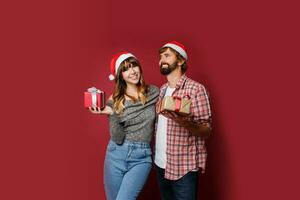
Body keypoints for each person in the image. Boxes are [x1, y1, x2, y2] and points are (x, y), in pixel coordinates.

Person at [89, 52, 159, 200]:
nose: (132, 71)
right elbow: (117, 137)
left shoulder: (153, 92)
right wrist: (113, 113)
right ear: (120, 75)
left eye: (134, 66)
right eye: (126, 69)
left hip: (141, 157)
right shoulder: (114, 100)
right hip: (116, 153)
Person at [154, 41, 212, 200]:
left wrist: (183, 122)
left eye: (166, 55)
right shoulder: (162, 90)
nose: (161, 60)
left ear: (180, 61)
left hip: (183, 167)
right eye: (160, 57)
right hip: (160, 164)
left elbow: (206, 130)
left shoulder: (196, 89)